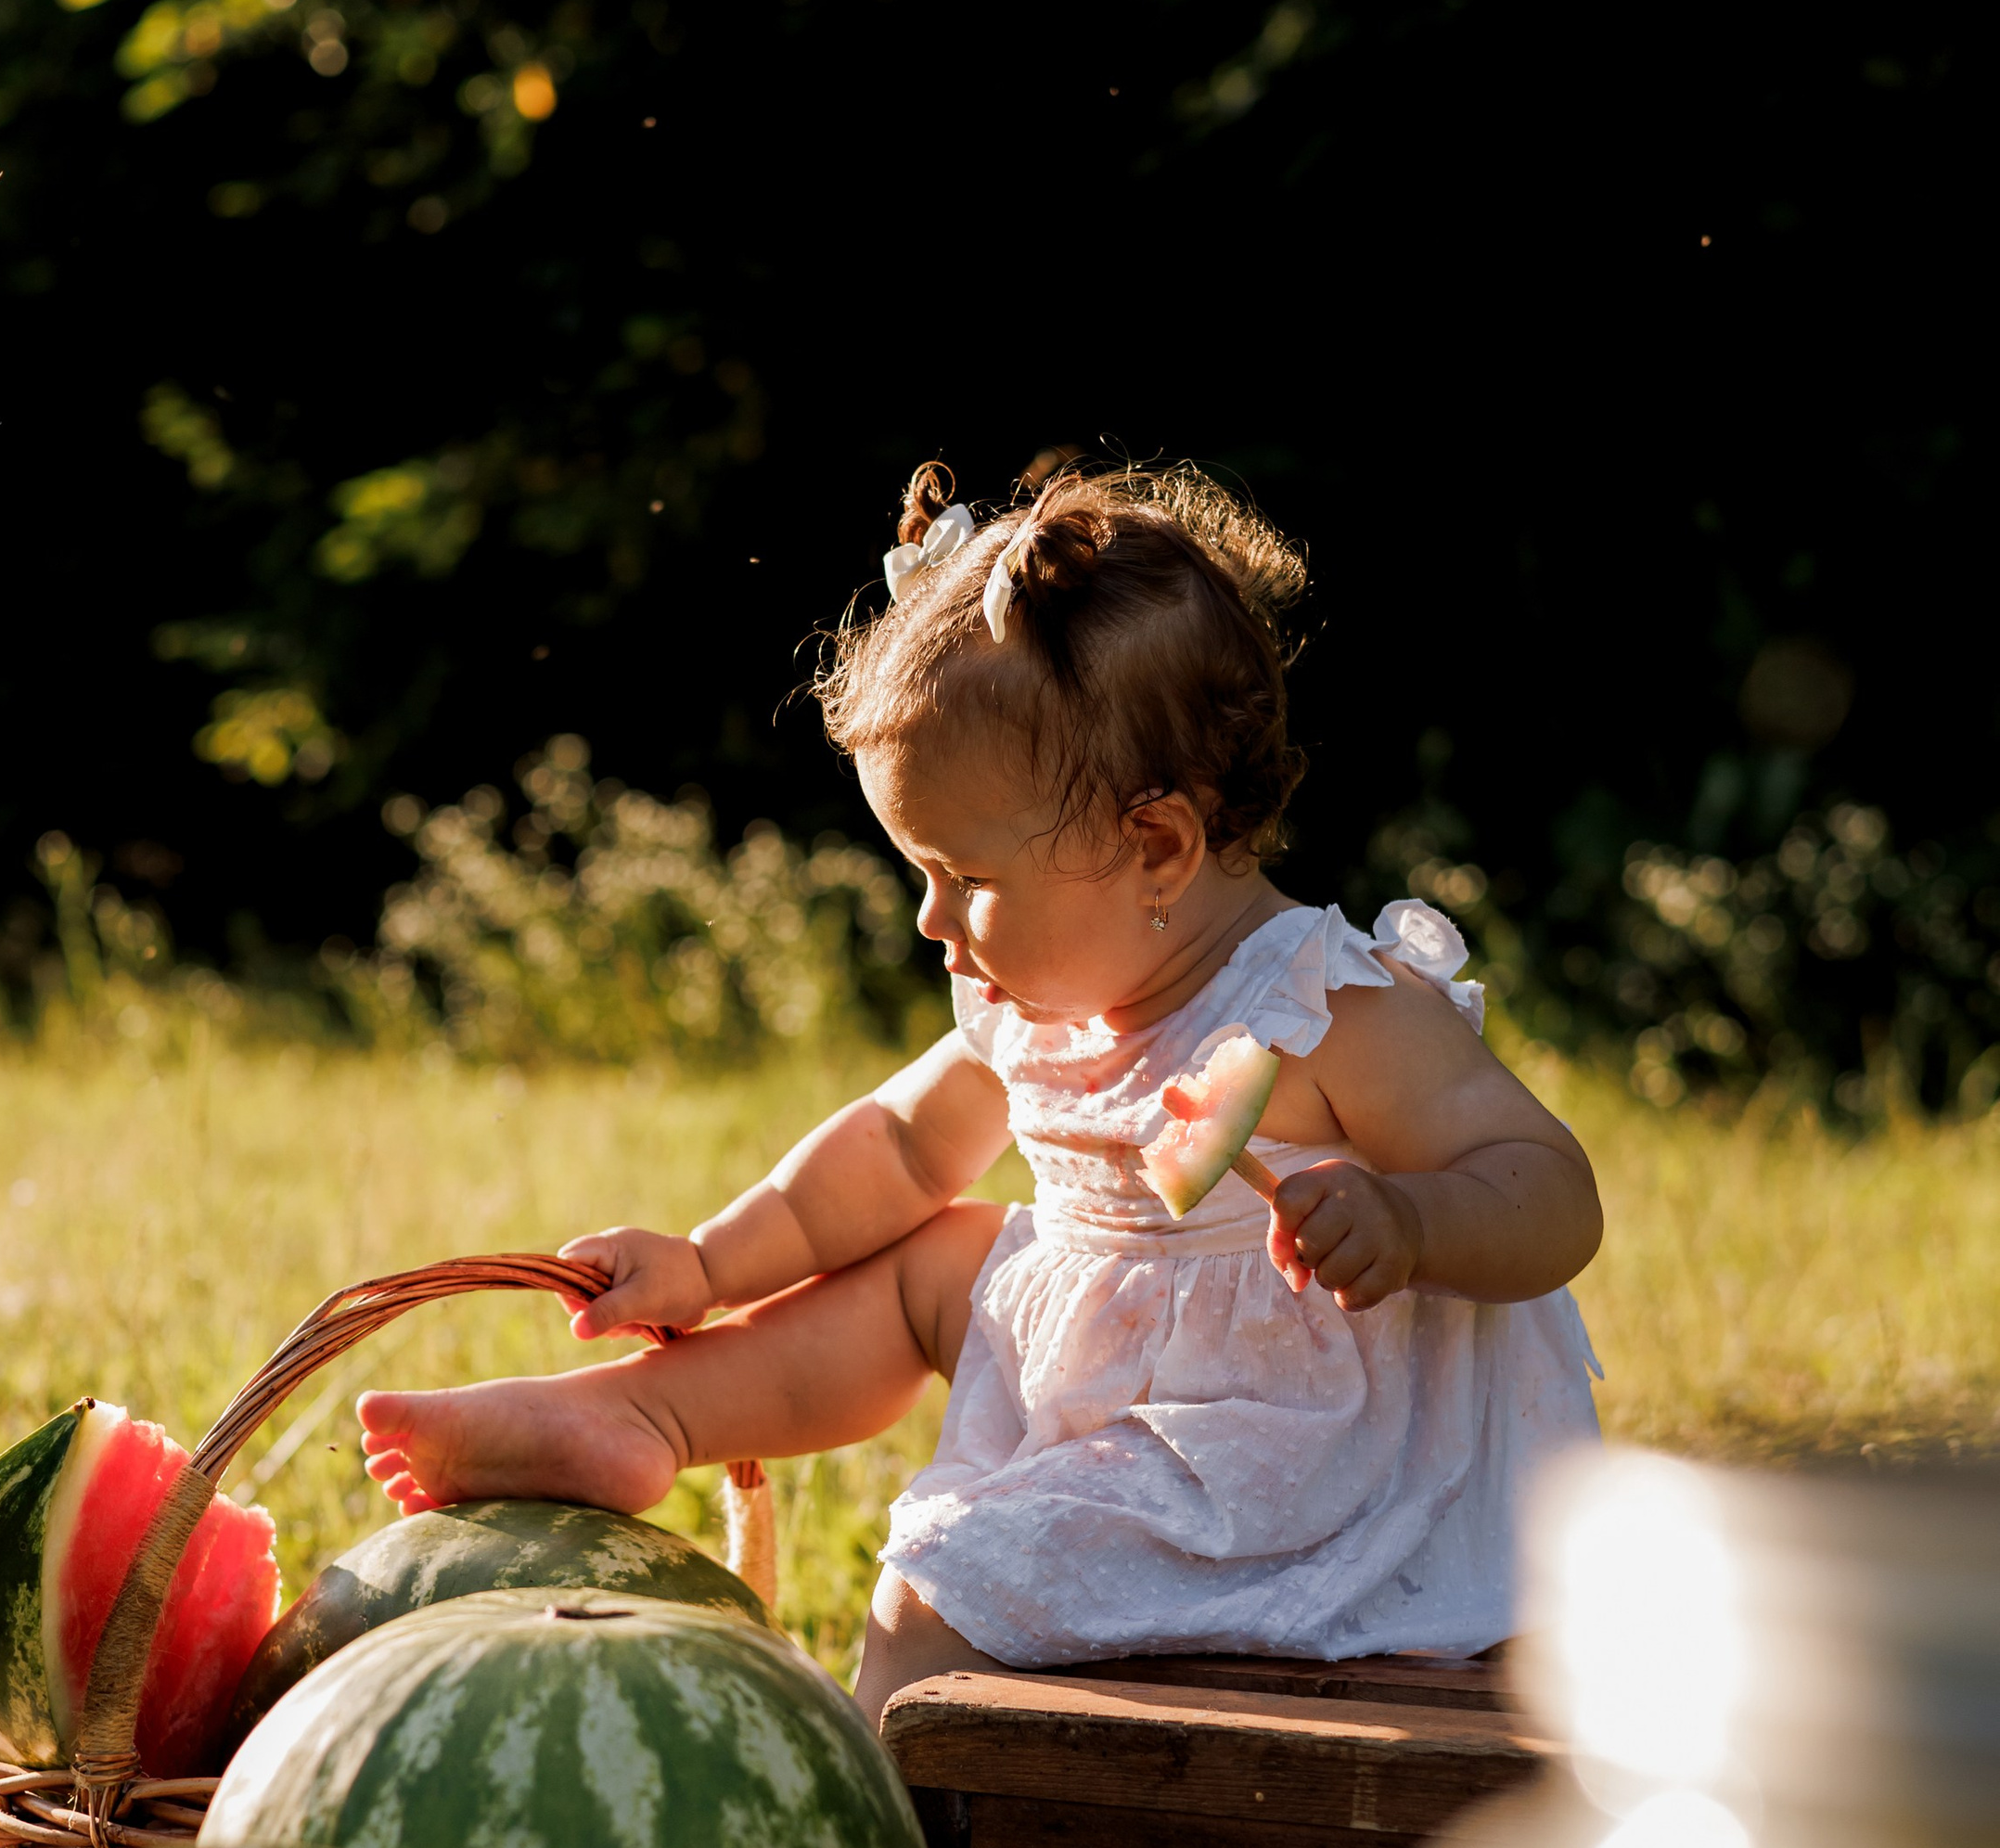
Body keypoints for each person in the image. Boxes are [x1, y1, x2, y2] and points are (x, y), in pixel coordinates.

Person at [360, 460, 1603, 1716]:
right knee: (937, 1260)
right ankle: (648, 1416)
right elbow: (896, 1150)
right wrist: (707, 1264)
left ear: (1155, 844)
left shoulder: (1326, 1007)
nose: (928, 917)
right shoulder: (1036, 995)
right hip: (1131, 1369)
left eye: (962, 875)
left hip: (1290, 1462)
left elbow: (1550, 1194)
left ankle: (895, 1838)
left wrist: (1412, 1224)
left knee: (939, 1590)